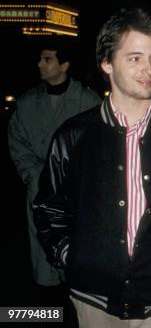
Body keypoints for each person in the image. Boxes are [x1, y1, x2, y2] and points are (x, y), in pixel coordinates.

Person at [32, 8, 151, 327]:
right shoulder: (73, 137)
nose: (149, 69)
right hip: (93, 298)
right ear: (106, 63)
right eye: (135, 58)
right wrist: (71, 255)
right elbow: (48, 208)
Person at [7, 39, 100, 290]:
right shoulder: (27, 103)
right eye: (40, 58)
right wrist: (32, 175)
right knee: (45, 264)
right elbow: (17, 142)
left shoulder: (89, 103)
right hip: (39, 189)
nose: (40, 64)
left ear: (65, 65)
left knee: (76, 266)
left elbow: (100, 148)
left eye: (47, 59)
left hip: (77, 194)